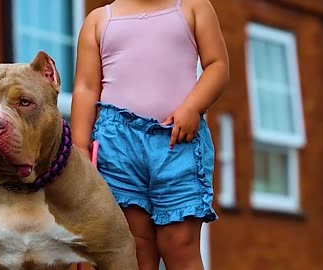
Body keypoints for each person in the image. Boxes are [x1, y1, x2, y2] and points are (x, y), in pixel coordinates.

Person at [71, 0, 229, 269]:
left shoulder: (193, 7)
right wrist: (81, 147)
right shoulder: (98, 21)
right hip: (117, 148)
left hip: (178, 141)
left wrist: (193, 107)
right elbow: (86, 88)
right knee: (133, 246)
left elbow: (217, 65)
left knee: (178, 242)